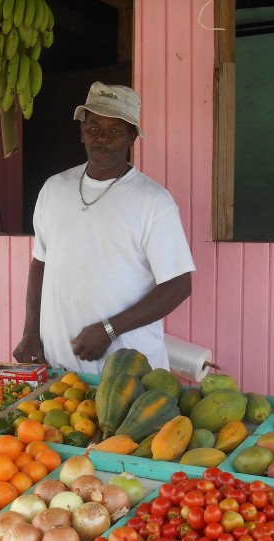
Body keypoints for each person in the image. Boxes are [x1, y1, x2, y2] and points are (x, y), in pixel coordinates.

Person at [13, 81, 195, 374]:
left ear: (132, 137)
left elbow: (178, 285)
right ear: (81, 130)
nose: (102, 139)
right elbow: (40, 264)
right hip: (57, 367)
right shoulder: (53, 189)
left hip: (127, 377)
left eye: (115, 131)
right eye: (94, 127)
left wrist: (110, 329)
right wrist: (30, 331)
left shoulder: (153, 202)